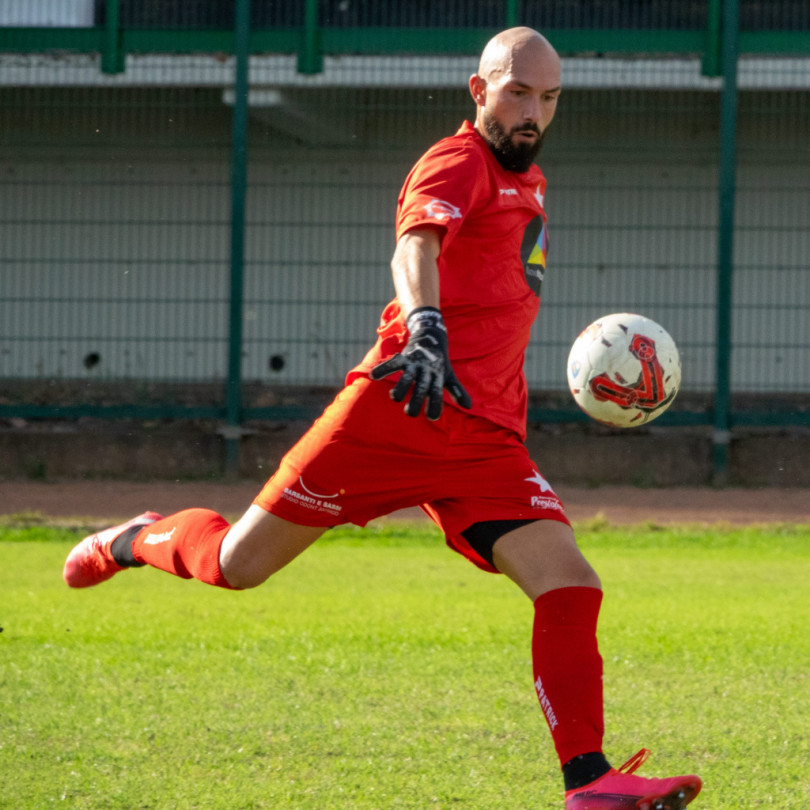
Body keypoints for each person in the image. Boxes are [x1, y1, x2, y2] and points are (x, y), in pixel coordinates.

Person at [63, 27, 702, 809]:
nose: (533, 112)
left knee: (571, 585)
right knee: (237, 565)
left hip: (483, 437)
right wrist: (425, 327)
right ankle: (134, 538)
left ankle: (590, 782)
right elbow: (417, 244)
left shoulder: (530, 182)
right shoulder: (455, 161)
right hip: (400, 405)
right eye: (517, 93)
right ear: (479, 91)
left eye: (548, 97)